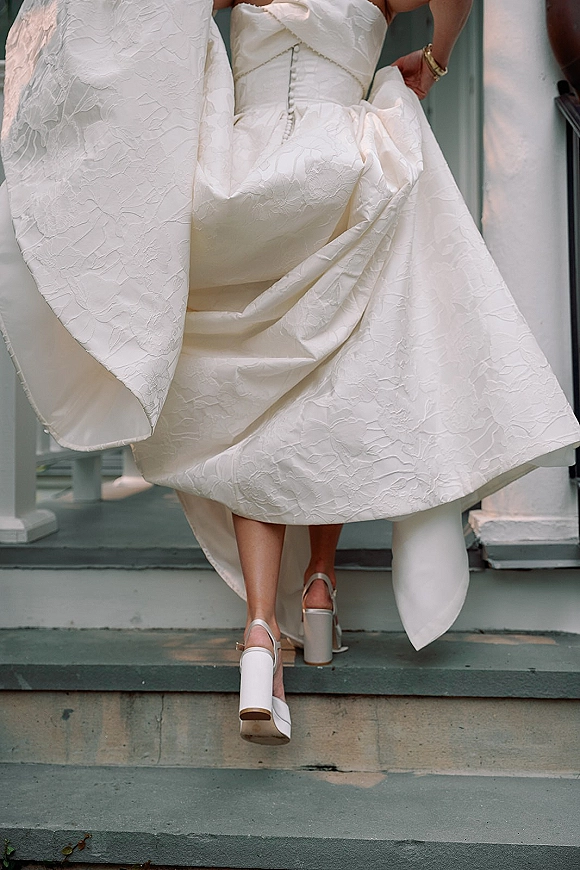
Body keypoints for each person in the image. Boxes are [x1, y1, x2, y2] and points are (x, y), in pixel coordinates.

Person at [1, 0, 579, 746]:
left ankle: (258, 634)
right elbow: (456, 2)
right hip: (339, 172)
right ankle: (319, 587)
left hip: (246, 185)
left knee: (257, 410)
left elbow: (144, 24)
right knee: (330, 386)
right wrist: (432, 58)